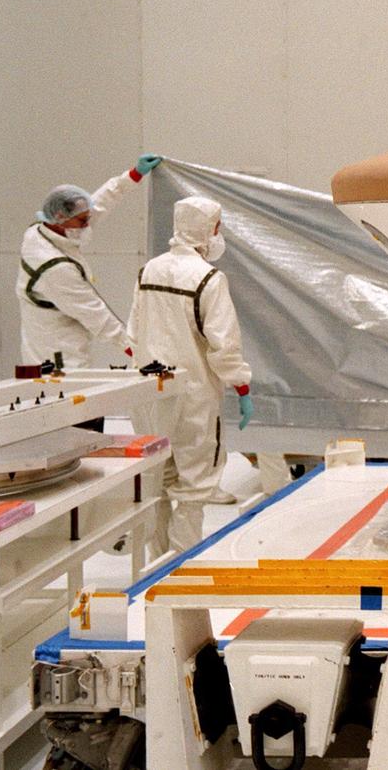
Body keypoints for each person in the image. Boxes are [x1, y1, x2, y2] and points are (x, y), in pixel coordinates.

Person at [128, 197, 253, 553]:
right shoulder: (208, 278)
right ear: (206, 230)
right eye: (217, 226)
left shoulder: (148, 270)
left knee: (158, 481)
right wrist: (241, 384)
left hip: (150, 395)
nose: (219, 233)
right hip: (194, 398)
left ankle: (156, 567)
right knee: (194, 489)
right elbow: (223, 345)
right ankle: (182, 570)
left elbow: (132, 333)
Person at [18, 155, 162, 370]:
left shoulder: (42, 230)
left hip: (53, 341)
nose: (88, 224)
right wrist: (138, 353)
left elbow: (99, 203)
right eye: (82, 221)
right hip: (58, 358)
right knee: (65, 400)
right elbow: (98, 317)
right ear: (59, 217)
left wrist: (133, 175)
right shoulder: (54, 267)